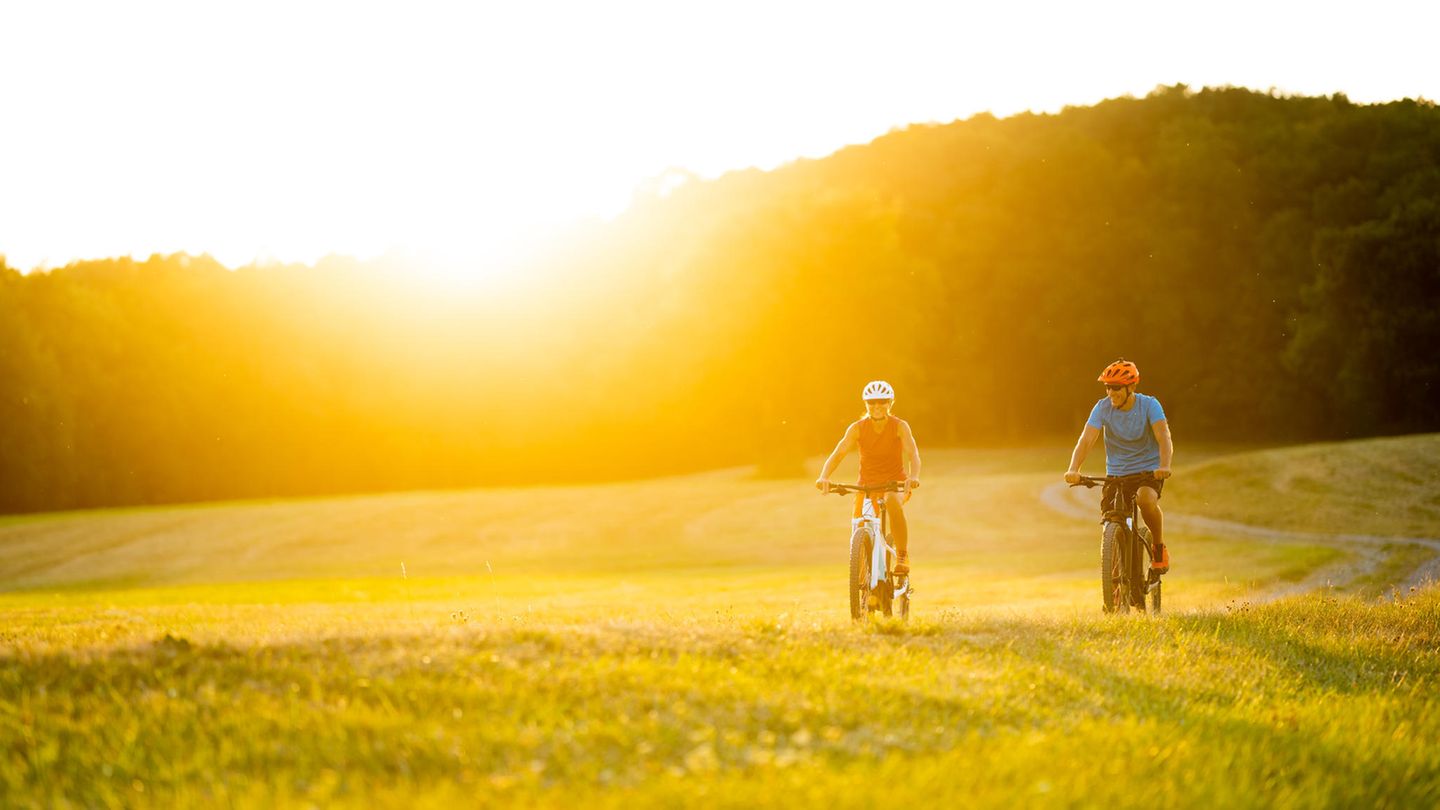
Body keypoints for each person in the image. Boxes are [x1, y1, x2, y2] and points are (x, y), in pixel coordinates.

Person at [1064, 359, 1174, 573]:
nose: (1110, 392)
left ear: (1131, 387)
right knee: (1110, 519)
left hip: (1148, 471)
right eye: (1107, 387)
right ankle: (1115, 579)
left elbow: (1163, 436)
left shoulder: (1150, 405)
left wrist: (1165, 465)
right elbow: (1086, 440)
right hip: (1116, 473)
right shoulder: (1102, 407)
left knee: (1145, 499)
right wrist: (1073, 468)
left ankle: (1158, 547)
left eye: (1115, 387)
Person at [816, 380, 922, 574]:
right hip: (866, 487)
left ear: (890, 403)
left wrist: (913, 476)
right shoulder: (857, 428)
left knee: (891, 500)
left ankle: (901, 555)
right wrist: (824, 476)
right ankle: (865, 583)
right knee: (859, 527)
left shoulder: (899, 426)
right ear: (866, 404)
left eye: (882, 401)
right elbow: (838, 453)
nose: (877, 406)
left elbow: (912, 454)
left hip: (894, 484)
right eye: (872, 402)